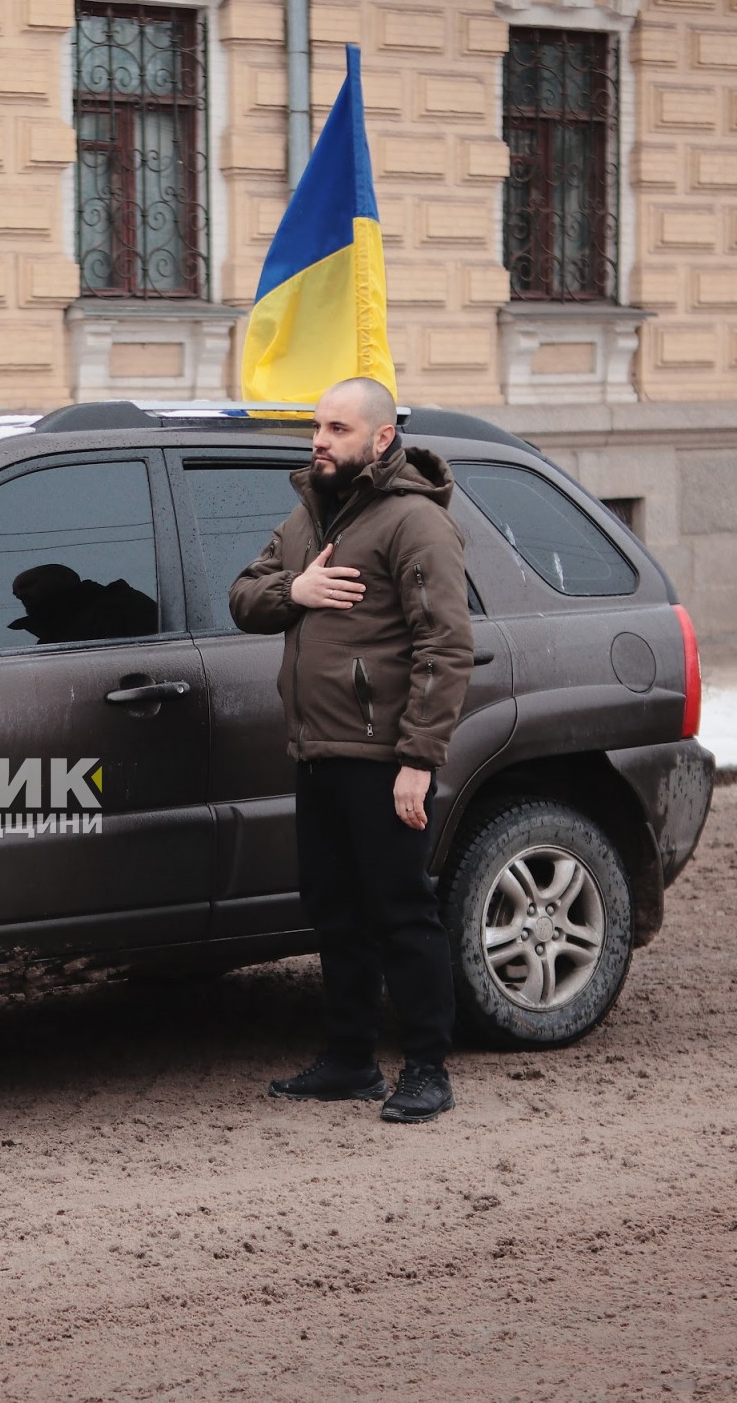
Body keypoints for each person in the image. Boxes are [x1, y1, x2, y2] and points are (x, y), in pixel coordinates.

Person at [228, 377, 474, 1126]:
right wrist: (295, 592)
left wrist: (419, 759)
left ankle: (428, 1069)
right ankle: (350, 1060)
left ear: (381, 438)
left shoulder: (412, 523)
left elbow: (446, 644)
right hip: (317, 750)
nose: (320, 440)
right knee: (334, 910)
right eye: (318, 426)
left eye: (338, 428)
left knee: (402, 912)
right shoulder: (308, 516)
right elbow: (244, 597)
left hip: (383, 758)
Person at [7, 563, 158, 644]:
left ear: (64, 578)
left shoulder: (120, 606)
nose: (20, 595)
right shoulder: (54, 633)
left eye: (28, 584)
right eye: (16, 594)